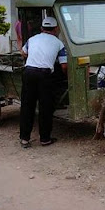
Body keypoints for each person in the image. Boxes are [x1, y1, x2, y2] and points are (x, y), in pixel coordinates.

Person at [19, 17, 67, 148]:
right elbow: (64, 66)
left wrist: (34, 57)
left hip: (28, 73)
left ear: (41, 29)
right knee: (45, 107)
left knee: (27, 106)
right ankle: (45, 139)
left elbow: (23, 53)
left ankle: (24, 139)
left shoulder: (32, 39)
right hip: (45, 76)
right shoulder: (59, 43)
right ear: (56, 29)